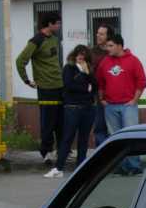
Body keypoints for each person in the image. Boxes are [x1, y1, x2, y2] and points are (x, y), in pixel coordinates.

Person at [16, 13, 64, 164]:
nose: (59, 26)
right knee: (48, 122)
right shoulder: (36, 40)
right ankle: (46, 152)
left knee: (61, 121)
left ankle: (61, 151)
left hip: (60, 85)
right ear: (49, 24)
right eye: (57, 23)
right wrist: (26, 80)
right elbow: (20, 60)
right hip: (46, 87)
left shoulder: (55, 39)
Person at [46, 45, 98, 179]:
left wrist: (87, 75)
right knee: (67, 138)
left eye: (84, 55)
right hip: (72, 108)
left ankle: (81, 166)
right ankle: (58, 168)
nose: (81, 57)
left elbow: (95, 86)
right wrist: (86, 85)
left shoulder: (89, 69)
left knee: (83, 139)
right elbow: (69, 86)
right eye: (79, 54)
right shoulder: (69, 68)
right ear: (74, 55)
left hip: (88, 108)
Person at [96, 33, 146, 135]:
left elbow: (142, 82)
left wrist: (134, 100)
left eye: (111, 46)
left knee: (131, 136)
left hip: (128, 106)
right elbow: (100, 82)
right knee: (114, 138)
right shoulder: (105, 62)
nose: (107, 48)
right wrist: (102, 99)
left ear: (119, 46)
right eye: (107, 46)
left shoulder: (133, 60)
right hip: (110, 107)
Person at [90, 24, 113, 147]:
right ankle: (101, 153)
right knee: (99, 126)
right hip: (98, 95)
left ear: (108, 36)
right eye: (97, 33)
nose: (98, 35)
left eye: (101, 34)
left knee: (114, 127)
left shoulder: (113, 52)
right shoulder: (92, 52)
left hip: (114, 95)